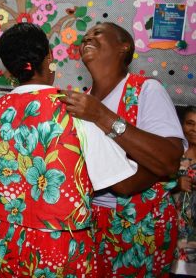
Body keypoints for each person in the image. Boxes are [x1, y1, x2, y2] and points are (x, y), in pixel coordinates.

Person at [0, 23, 138, 277]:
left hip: (3, 244)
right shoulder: (77, 109)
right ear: (49, 58)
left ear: (10, 70)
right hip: (60, 249)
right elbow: (120, 182)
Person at [59, 22, 185, 277]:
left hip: (141, 226)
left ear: (124, 46)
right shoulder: (80, 102)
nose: (87, 38)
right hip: (90, 224)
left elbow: (169, 161)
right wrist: (133, 174)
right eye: (84, 36)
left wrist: (102, 116)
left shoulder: (145, 90)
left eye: (97, 33)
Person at [172, 106, 196, 276]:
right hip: (173, 230)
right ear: (181, 125)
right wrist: (175, 183)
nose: (194, 129)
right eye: (190, 123)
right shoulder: (171, 152)